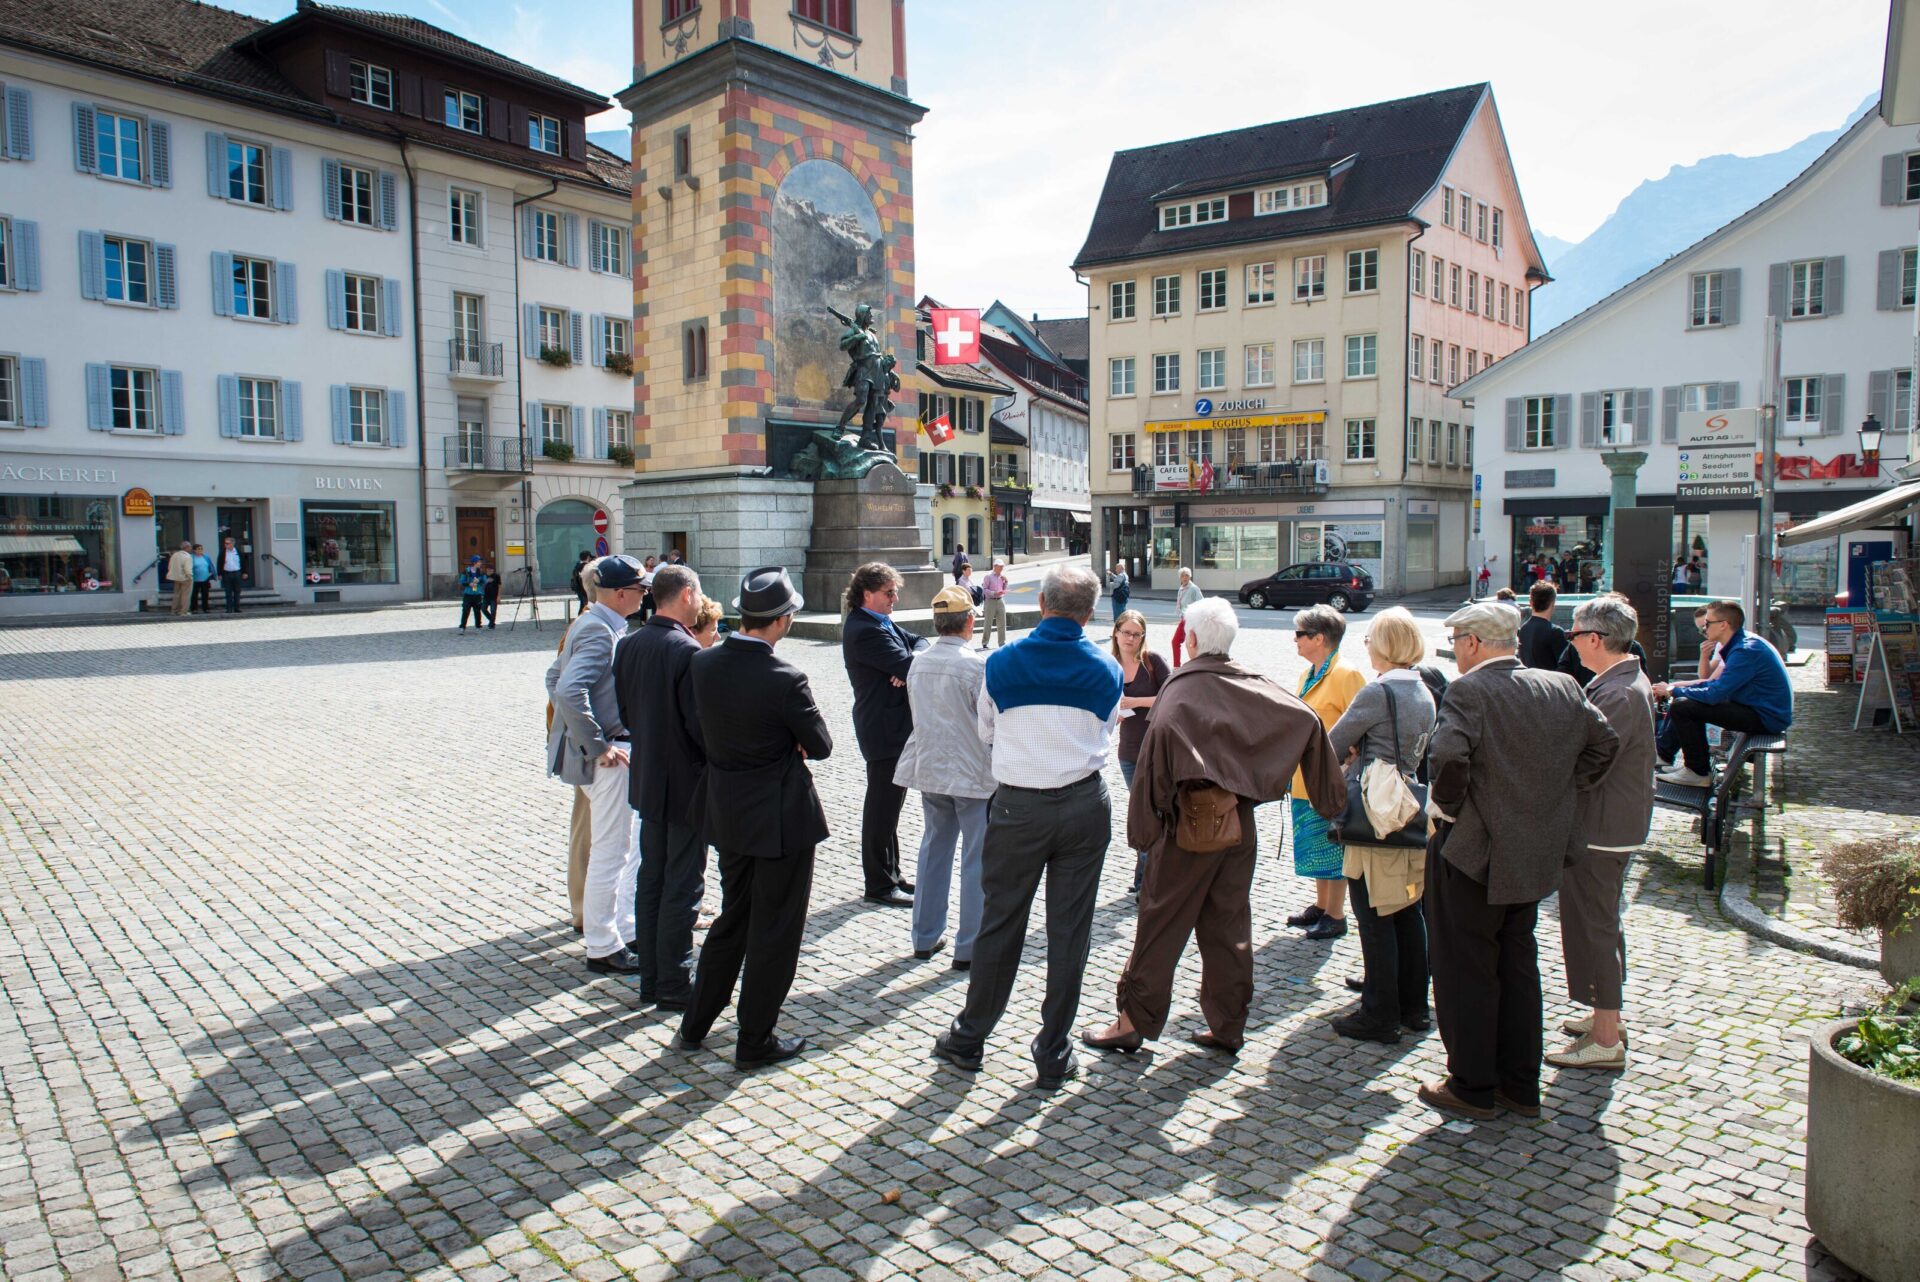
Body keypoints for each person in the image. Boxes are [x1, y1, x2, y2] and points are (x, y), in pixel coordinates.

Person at [1084, 598, 1344, 1057]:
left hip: (1186, 826)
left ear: (1194, 640)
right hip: (1237, 825)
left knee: (1160, 923)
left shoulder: (1180, 691)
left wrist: (1144, 832)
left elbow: (1153, 767)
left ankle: (1132, 1022)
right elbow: (1306, 719)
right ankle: (1228, 1025)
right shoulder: (1250, 682)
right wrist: (1326, 799)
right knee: (1229, 925)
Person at [1419, 601, 1618, 1121]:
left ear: (1474, 643)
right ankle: (1520, 1084)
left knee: (1467, 968)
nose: (1456, 651)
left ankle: (1473, 1084)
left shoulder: (1470, 689)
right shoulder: (1561, 685)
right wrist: (1555, 796)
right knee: (1517, 964)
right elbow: (1603, 744)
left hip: (1474, 851)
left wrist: (1455, 811)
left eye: (1458, 641)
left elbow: (1447, 758)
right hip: (1532, 849)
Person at [934, 564, 1123, 1090]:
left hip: (1019, 806)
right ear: (1089, 613)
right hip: (1085, 803)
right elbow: (1107, 728)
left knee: (1001, 922)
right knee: (1070, 929)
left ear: (1042, 605)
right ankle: (1053, 1049)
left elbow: (986, 729)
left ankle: (970, 1037)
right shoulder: (1108, 668)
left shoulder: (1002, 662)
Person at [678, 566, 831, 1070]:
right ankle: (755, 1038)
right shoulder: (786, 678)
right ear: (783, 620)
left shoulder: (703, 664)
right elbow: (822, 746)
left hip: (727, 808)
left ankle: (695, 1023)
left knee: (734, 917)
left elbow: (700, 730)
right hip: (780, 818)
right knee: (777, 930)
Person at [1551, 595, 1657, 1073]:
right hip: (1610, 822)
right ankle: (1603, 1016)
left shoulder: (1616, 692)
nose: (1571, 644)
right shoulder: (1621, 682)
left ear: (1594, 639)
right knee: (1599, 923)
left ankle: (1607, 1034)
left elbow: (1591, 760)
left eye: (1573, 635)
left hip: (1601, 826)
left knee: (1594, 925)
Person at [1326, 607, 1437, 1044]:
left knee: (1373, 915)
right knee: (1407, 912)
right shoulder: (1423, 691)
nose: (1366, 645)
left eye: (1370, 638)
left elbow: (1332, 744)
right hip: (1406, 806)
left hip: (1374, 811)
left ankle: (1380, 1013)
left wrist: (1355, 751)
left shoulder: (1378, 693)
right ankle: (1414, 1006)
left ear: (1386, 645)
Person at [614, 563, 710, 1011]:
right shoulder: (686, 651)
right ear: (687, 594)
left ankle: (651, 978)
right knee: (682, 884)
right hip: (684, 783)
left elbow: (627, 713)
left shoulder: (630, 645)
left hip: (647, 776)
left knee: (652, 878)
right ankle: (674, 979)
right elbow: (699, 727)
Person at [545, 555, 648, 975]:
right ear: (621, 594)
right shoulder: (599, 630)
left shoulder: (594, 624)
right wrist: (598, 743)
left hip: (605, 754)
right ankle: (603, 945)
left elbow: (554, 679)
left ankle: (617, 931)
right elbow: (568, 690)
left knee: (616, 849)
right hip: (610, 759)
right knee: (613, 851)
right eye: (641, 589)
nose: (645, 595)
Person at [894, 586, 994, 971]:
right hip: (971, 772)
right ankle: (967, 946)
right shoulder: (976, 666)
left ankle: (924, 935)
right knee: (975, 858)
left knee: (934, 849)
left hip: (932, 767)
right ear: (969, 621)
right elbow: (990, 721)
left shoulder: (918, 662)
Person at [842, 562, 927, 907]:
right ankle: (877, 884)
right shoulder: (864, 629)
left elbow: (918, 643)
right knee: (880, 809)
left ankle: (892, 874)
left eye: (895, 592)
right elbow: (909, 666)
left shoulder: (880, 621)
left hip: (893, 727)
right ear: (867, 594)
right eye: (888, 593)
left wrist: (908, 660)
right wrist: (906, 666)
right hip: (883, 729)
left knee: (890, 807)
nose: (895, 599)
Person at [1287, 604, 1366, 940]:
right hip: (1306, 779)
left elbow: (1362, 728)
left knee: (1333, 847)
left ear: (1319, 638)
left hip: (1330, 781)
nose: (1296, 640)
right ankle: (1321, 905)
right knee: (1316, 846)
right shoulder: (1309, 673)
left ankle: (1336, 915)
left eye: (1300, 634)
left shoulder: (1347, 675)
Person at [1651, 600, 1793, 787]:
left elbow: (1714, 693)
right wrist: (1676, 690)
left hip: (1766, 717)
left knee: (1683, 706)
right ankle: (1683, 763)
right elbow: (1716, 685)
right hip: (1762, 711)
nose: (1703, 629)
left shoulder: (1744, 650)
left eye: (1707, 624)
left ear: (1724, 625)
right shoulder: (1741, 644)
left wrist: (1674, 690)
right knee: (1685, 702)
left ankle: (1697, 771)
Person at [550, 560, 599, 935]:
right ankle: (583, 906)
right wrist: (588, 737)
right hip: (590, 745)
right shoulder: (587, 627)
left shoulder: (587, 622)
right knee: (587, 826)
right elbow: (559, 683)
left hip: (585, 740)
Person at [1111, 608, 1169, 894]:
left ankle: (1147, 879)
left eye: (1136, 634)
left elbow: (1171, 695)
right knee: (1142, 814)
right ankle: (1144, 876)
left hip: (1158, 749)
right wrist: (1112, 713)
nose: (1130, 638)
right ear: (1116, 632)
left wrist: (1134, 701)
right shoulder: (1107, 663)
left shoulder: (1152, 661)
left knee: (1154, 812)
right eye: (1126, 632)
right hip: (1129, 752)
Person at [1517, 581, 1566, 670]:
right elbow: (1566, 666)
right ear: (1553, 603)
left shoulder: (1523, 629)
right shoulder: (1555, 632)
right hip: (1550, 682)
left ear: (1530, 602)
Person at [1170, 567, 1203, 669]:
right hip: (1184, 619)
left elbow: (1201, 603)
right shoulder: (1181, 588)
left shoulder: (1194, 589)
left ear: (1190, 576)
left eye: (1187, 575)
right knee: (1179, 642)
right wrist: (1180, 614)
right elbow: (1179, 604)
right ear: (1180, 578)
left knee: (1191, 643)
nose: (1185, 578)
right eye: (1182, 576)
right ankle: (1177, 666)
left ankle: (1194, 666)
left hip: (1191, 619)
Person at [979, 559, 1010, 649]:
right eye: (1000, 566)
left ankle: (1002, 643)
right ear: (995, 566)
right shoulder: (988, 576)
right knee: (988, 622)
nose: (1001, 568)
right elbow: (984, 590)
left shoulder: (1002, 577)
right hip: (990, 601)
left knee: (1002, 622)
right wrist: (994, 593)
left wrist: (1006, 582)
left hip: (1000, 600)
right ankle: (985, 642)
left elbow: (1003, 589)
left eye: (1002, 567)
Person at [457, 556, 487, 632]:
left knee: (477, 611)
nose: (480, 563)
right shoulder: (466, 571)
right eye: (479, 562)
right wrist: (469, 584)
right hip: (468, 594)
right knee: (465, 610)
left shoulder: (481, 571)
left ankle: (478, 626)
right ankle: (462, 626)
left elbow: (485, 581)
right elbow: (461, 581)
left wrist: (479, 581)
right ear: (474, 563)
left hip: (477, 593)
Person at [166, 541, 194, 617]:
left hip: (176, 577)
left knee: (177, 594)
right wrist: (190, 576)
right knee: (186, 595)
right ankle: (183, 611)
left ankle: (174, 610)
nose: (191, 548)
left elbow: (170, 566)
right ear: (187, 547)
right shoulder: (187, 556)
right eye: (190, 547)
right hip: (185, 578)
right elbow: (188, 569)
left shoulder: (175, 555)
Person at [1106, 560, 1131, 629]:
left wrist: (1110, 584)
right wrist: (1111, 575)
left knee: (1117, 614)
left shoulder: (1120, 575)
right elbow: (1118, 579)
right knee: (1122, 612)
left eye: (1116, 568)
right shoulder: (1125, 575)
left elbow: (1116, 585)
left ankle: (1117, 630)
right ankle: (1123, 629)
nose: (1115, 570)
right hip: (1123, 596)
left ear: (1120, 569)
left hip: (1117, 597)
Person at [189, 544, 213, 614]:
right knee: (194, 595)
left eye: (201, 549)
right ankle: (194, 609)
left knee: (205, 594)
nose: (200, 550)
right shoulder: (191, 558)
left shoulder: (205, 557)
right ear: (194, 550)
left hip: (205, 578)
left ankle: (206, 608)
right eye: (198, 549)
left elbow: (210, 566)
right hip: (195, 579)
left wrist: (211, 573)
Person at [637, 555, 660, 624]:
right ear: (647, 561)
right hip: (645, 589)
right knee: (645, 605)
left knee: (653, 605)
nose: (652, 562)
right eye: (650, 560)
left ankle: (651, 620)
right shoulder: (643, 569)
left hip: (653, 590)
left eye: (653, 560)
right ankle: (643, 620)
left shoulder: (655, 569)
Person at [482, 560, 502, 628]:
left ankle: (491, 624)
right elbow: (482, 586)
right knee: (483, 609)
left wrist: (498, 596)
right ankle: (492, 621)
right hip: (486, 596)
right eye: (488, 570)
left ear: (493, 570)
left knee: (493, 610)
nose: (489, 571)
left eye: (491, 570)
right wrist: (486, 582)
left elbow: (499, 586)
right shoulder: (484, 576)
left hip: (494, 596)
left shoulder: (496, 576)